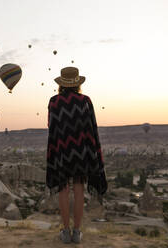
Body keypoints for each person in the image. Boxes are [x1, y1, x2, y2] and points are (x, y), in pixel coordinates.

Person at [46, 67, 104, 244]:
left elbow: (51, 125)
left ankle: (65, 232)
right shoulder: (85, 100)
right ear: (77, 84)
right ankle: (77, 232)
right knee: (79, 190)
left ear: (61, 84)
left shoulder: (54, 101)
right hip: (82, 151)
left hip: (62, 151)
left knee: (63, 190)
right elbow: (92, 126)